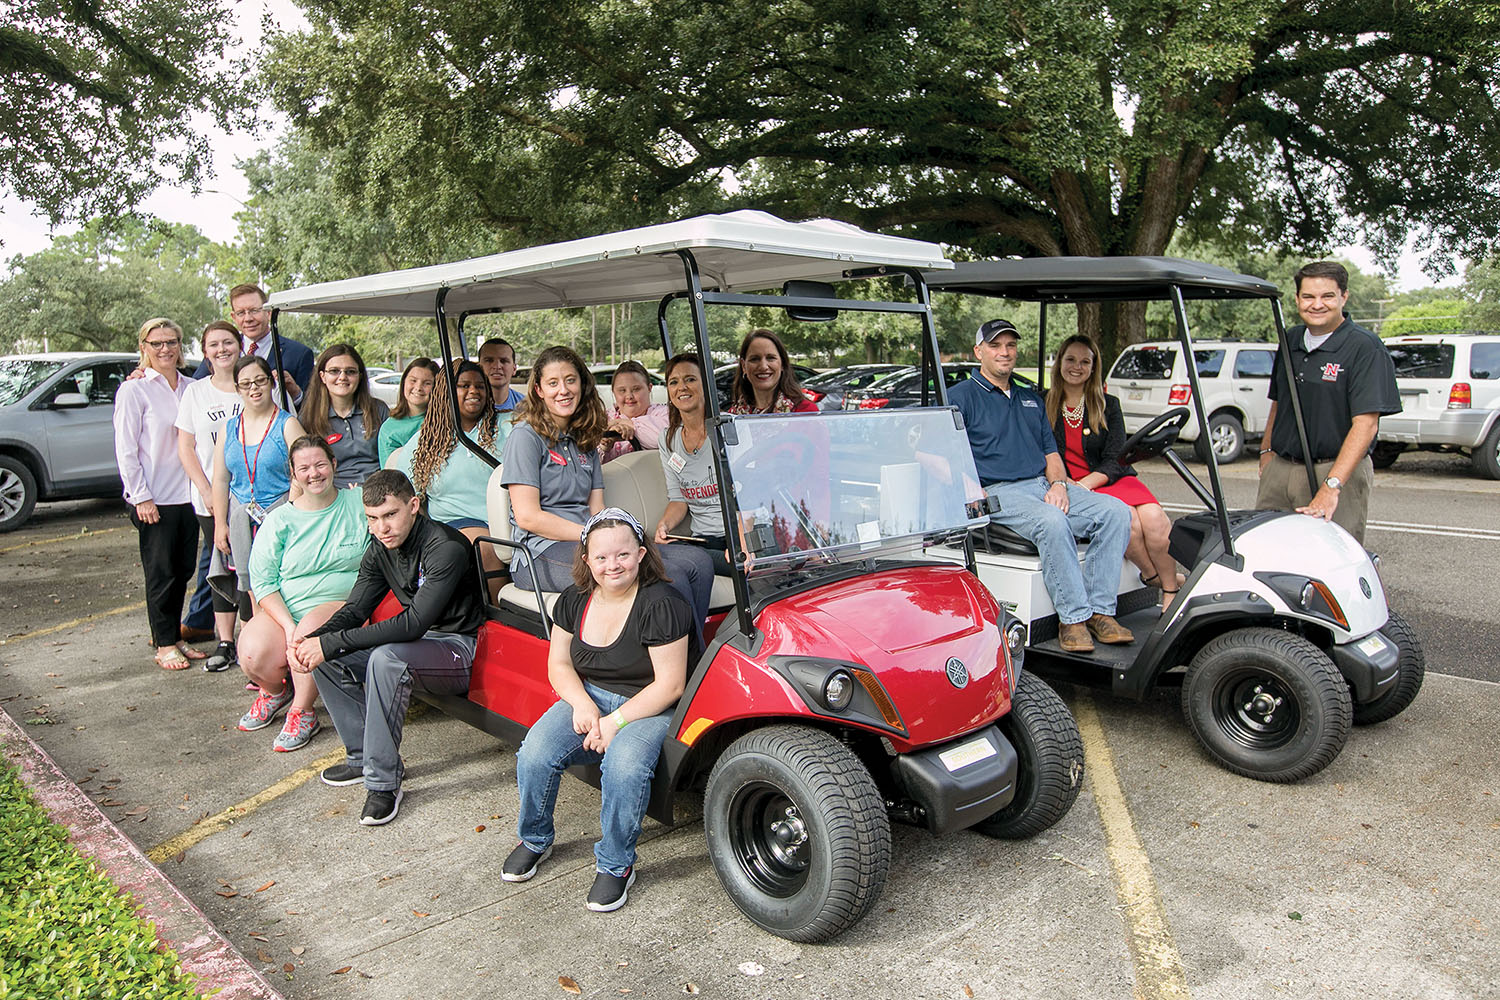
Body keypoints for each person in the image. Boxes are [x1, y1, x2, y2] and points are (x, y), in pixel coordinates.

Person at [503, 508, 691, 913]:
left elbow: (671, 685)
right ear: (586, 559)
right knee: (535, 752)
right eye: (601, 558)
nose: (612, 566)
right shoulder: (574, 598)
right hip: (589, 696)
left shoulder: (662, 603)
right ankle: (534, 838)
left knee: (623, 769)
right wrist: (583, 704)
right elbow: (559, 664)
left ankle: (616, 864)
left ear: (641, 554)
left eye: (622, 555)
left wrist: (615, 722)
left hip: (648, 707)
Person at [293, 469, 484, 827]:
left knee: (384, 657)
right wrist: (313, 641)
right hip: (415, 646)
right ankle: (363, 755)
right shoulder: (380, 547)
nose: (382, 528)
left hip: (458, 649)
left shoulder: (445, 548)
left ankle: (383, 783)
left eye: (390, 515)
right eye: (373, 519)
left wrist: (330, 642)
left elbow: (413, 623)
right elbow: (355, 610)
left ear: (413, 506)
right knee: (328, 656)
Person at [501, 346, 713, 641]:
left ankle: (693, 656)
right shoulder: (525, 437)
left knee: (697, 562)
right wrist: (595, 536)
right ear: (538, 390)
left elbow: (597, 507)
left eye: (570, 380)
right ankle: (680, 667)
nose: (563, 390)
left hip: (590, 543)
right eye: (553, 383)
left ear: (582, 385)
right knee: (669, 573)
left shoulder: (584, 438)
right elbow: (528, 517)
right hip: (539, 552)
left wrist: (621, 534)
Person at [950, 319, 1134, 654]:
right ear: (979, 351)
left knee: (1116, 512)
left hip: (1041, 484)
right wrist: (969, 487)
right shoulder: (960, 397)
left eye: (1010, 346)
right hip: (998, 492)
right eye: (995, 346)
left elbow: (1051, 452)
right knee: (1052, 521)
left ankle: (1100, 612)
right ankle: (1073, 619)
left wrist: (1060, 486)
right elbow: (931, 452)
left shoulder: (1030, 399)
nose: (1004, 353)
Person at [1256, 261, 1401, 544]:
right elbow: (1280, 401)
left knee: (1330, 558)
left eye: (1327, 296)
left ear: (1344, 297)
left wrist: (1331, 486)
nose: (1317, 304)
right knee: (1268, 549)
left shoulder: (1365, 347)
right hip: (1281, 468)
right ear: (1297, 299)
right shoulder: (1291, 339)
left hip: (1333, 469)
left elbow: (1366, 425)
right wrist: (1266, 451)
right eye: (1308, 296)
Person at [240, 436, 370, 752]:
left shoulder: (359, 503)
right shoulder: (280, 519)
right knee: (251, 652)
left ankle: (303, 711)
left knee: (309, 633)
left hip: (342, 604)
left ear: (334, 465)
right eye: (304, 468)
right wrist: (286, 625)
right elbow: (263, 580)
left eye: (320, 464)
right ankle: (273, 691)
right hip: (288, 607)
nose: (314, 473)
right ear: (294, 474)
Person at [1046, 335, 1181, 614]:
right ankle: (1152, 577)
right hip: (1067, 483)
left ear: (1094, 367)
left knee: (1155, 519)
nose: (1076, 367)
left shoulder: (1109, 405)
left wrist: (1085, 484)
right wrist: (1066, 483)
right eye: (1070, 359)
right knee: (1128, 520)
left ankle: (1170, 589)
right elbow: (1044, 454)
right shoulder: (1043, 404)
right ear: (1059, 363)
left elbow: (1115, 458)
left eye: (1085, 361)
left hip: (1109, 479)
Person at [113, 318, 204, 670]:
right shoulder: (134, 390)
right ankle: (163, 643)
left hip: (189, 495)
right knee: (160, 572)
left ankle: (175, 636)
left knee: (182, 570)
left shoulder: (191, 387)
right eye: (157, 343)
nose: (165, 349)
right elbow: (126, 448)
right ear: (144, 348)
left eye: (171, 342)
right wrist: (140, 496)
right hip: (155, 497)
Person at [211, 356, 306, 632]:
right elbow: (220, 480)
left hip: (278, 517)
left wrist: (289, 510)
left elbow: (303, 473)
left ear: (271, 382)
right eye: (246, 383)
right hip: (241, 519)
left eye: (260, 381)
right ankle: (252, 651)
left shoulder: (287, 425)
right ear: (237, 389)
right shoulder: (228, 429)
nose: (254, 388)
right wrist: (220, 524)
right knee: (248, 590)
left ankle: (276, 645)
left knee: (275, 588)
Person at [175, 320, 246, 669]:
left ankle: (252, 640)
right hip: (209, 497)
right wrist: (204, 489)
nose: (222, 350)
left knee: (252, 567)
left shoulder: (256, 383)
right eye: (214, 345)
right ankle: (226, 642)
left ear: (240, 345)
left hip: (253, 496)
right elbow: (186, 446)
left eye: (228, 342)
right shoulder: (196, 393)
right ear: (205, 352)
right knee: (222, 566)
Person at [653, 353, 731, 575]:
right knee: (659, 553)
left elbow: (749, 497)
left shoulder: (727, 428)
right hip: (703, 542)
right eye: (674, 382)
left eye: (690, 379)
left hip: (737, 537)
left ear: (706, 384)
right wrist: (665, 525)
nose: (682, 387)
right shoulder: (668, 439)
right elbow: (678, 499)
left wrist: (743, 541)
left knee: (686, 560)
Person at [195, 283, 315, 400]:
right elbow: (198, 391)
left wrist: (296, 394)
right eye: (241, 313)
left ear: (269, 312)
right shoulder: (221, 352)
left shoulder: (299, 354)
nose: (248, 319)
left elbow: (312, 409)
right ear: (233, 317)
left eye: (254, 310)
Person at [299, 344, 389, 488]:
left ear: (359, 377)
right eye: (334, 371)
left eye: (350, 371)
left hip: (379, 488)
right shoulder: (309, 417)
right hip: (332, 493)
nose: (342, 377)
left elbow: (390, 458)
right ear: (322, 376)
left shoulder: (378, 410)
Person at [727, 329, 817, 414]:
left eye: (770, 358)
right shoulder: (733, 416)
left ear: (782, 364)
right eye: (754, 359)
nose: (763, 366)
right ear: (744, 366)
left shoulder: (806, 412)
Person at [602, 360, 670, 463]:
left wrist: (624, 423)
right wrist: (605, 446)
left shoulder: (664, 414)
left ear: (649, 388)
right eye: (622, 390)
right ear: (613, 391)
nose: (629, 396)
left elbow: (665, 438)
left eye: (636, 389)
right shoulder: (603, 419)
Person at [376, 357, 440, 466]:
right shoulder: (389, 429)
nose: (418, 387)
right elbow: (390, 473)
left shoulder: (445, 421)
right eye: (413, 381)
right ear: (404, 382)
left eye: (427, 383)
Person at [479, 337, 525, 411]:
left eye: (504, 361)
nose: (497, 366)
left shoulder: (527, 406)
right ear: (478, 367)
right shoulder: (467, 406)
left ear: (514, 369)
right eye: (489, 360)